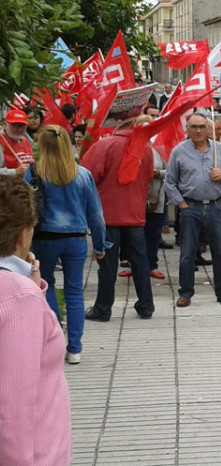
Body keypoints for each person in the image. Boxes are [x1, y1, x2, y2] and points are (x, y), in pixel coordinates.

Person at [0, 176, 73, 465]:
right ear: (22, 235)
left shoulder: (19, 289)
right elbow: (13, 407)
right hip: (37, 454)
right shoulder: (18, 297)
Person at [27, 126, 106, 364]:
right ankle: (75, 348)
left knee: (46, 286)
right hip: (75, 239)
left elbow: (25, 210)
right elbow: (97, 216)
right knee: (74, 292)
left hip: (44, 238)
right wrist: (100, 246)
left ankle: (55, 340)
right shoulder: (82, 174)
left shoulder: (34, 174)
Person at [81, 120, 156, 322]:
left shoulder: (104, 145)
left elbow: (87, 176)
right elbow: (148, 177)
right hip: (136, 215)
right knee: (140, 261)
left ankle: (103, 309)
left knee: (107, 265)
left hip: (108, 215)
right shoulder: (145, 149)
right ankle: (146, 306)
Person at [165, 112, 221, 307]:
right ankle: (186, 293)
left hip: (216, 207)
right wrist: (181, 204)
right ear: (187, 129)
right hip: (191, 208)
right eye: (194, 127)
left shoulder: (218, 149)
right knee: (187, 254)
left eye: (202, 127)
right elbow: (170, 182)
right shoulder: (179, 152)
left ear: (208, 128)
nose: (198, 131)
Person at [0, 108, 33, 178]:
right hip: (7, 186)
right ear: (5, 125)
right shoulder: (1, 141)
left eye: (22, 125)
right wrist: (14, 172)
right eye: (15, 125)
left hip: (26, 185)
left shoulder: (25, 140)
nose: (19, 129)